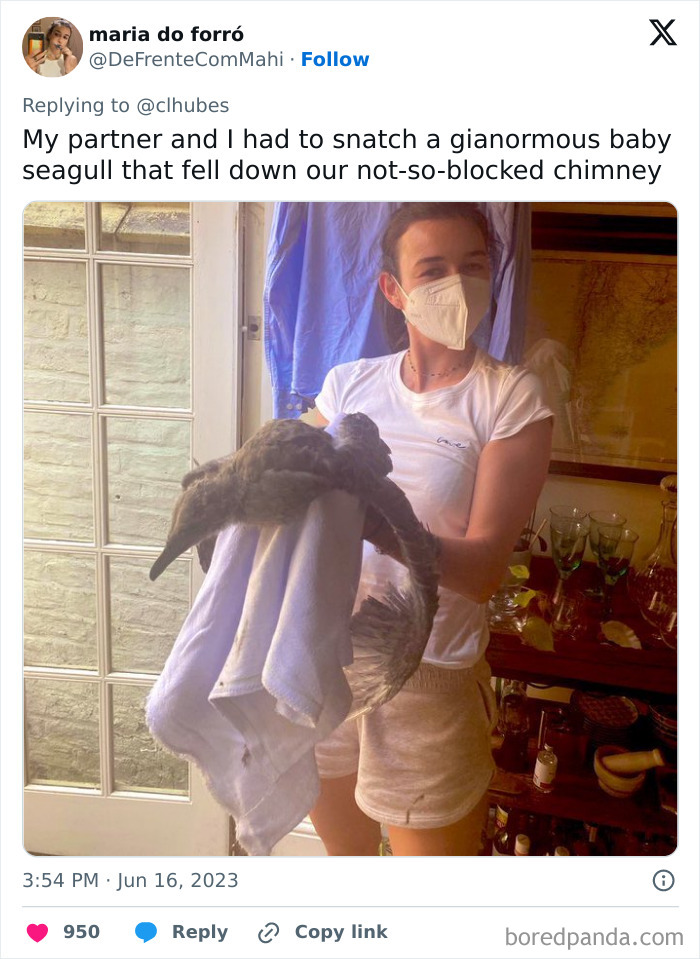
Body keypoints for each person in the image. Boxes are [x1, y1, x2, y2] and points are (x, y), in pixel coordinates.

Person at [309, 203, 554, 855]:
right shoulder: (347, 386)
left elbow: (482, 573)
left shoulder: (510, 398)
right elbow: (291, 478)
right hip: (327, 657)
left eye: (474, 266)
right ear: (394, 289)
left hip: (428, 678)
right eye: (434, 269)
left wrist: (376, 520)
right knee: (347, 867)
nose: (458, 284)